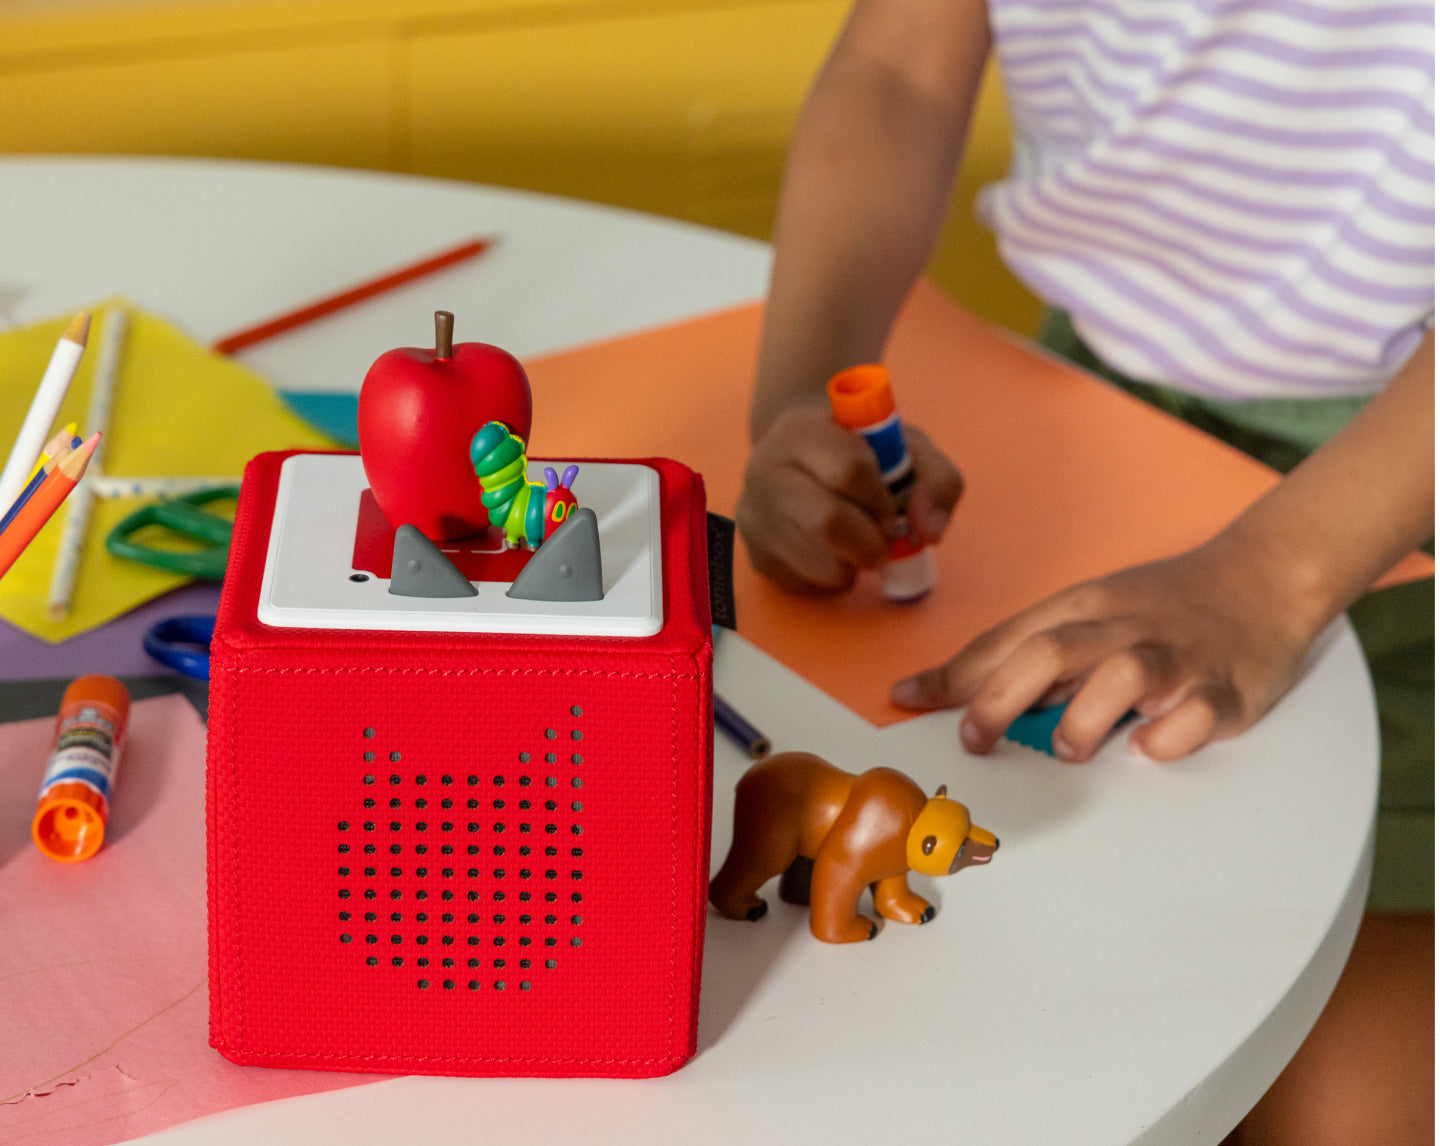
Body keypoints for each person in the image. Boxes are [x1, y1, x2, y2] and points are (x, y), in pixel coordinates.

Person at [734, 0, 1433, 1142]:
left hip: (1404, 471)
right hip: (1091, 397)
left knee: (1334, 1107)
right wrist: (804, 392)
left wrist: (1271, 581)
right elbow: (899, 69)